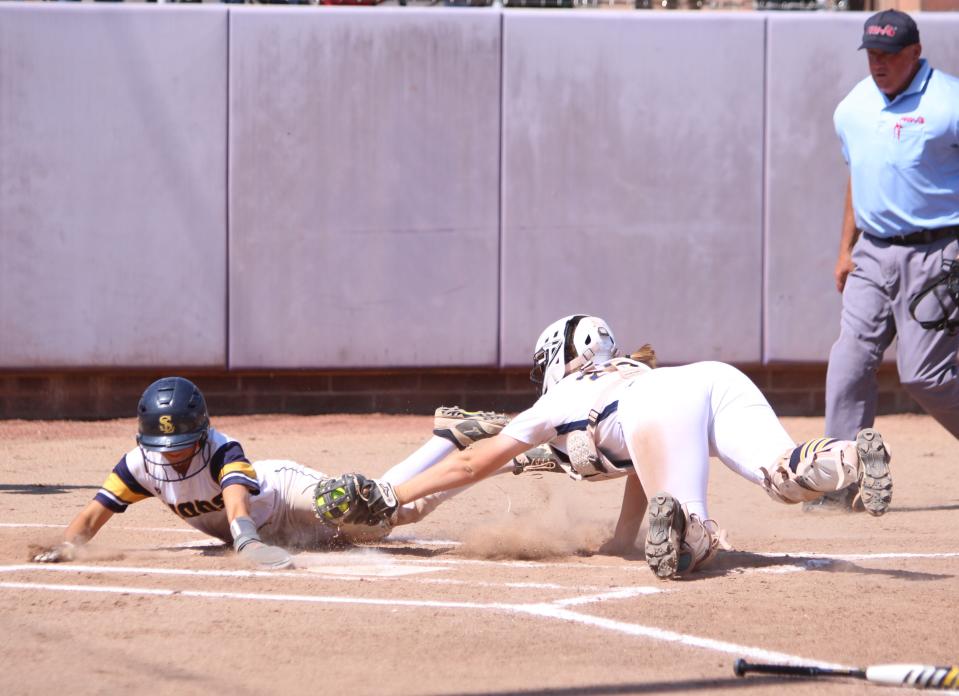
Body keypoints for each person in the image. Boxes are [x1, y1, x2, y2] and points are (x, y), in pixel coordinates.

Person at [317, 314, 894, 580]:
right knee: (783, 474)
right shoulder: (626, 368)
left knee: (690, 535)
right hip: (710, 378)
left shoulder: (558, 397)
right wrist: (622, 540)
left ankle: (690, 531)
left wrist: (394, 494)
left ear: (555, 357)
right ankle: (843, 457)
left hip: (658, 407)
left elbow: (471, 461)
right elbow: (645, 462)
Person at [29, 376, 509, 569]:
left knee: (386, 511)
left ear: (200, 432)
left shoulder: (221, 449)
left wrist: (245, 539)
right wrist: (68, 544)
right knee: (377, 520)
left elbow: (237, 496)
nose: (171, 455)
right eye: (163, 446)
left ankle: (474, 453)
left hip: (283, 494)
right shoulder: (140, 465)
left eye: (180, 446)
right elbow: (94, 515)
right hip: (269, 531)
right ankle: (449, 438)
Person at [822, 10, 959, 510]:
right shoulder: (853, 108)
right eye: (872, 55)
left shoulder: (950, 100)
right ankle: (839, 481)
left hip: (940, 251)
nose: (878, 64)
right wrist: (844, 249)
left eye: (888, 55)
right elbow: (858, 179)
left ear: (914, 54)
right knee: (848, 362)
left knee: (925, 375)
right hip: (873, 253)